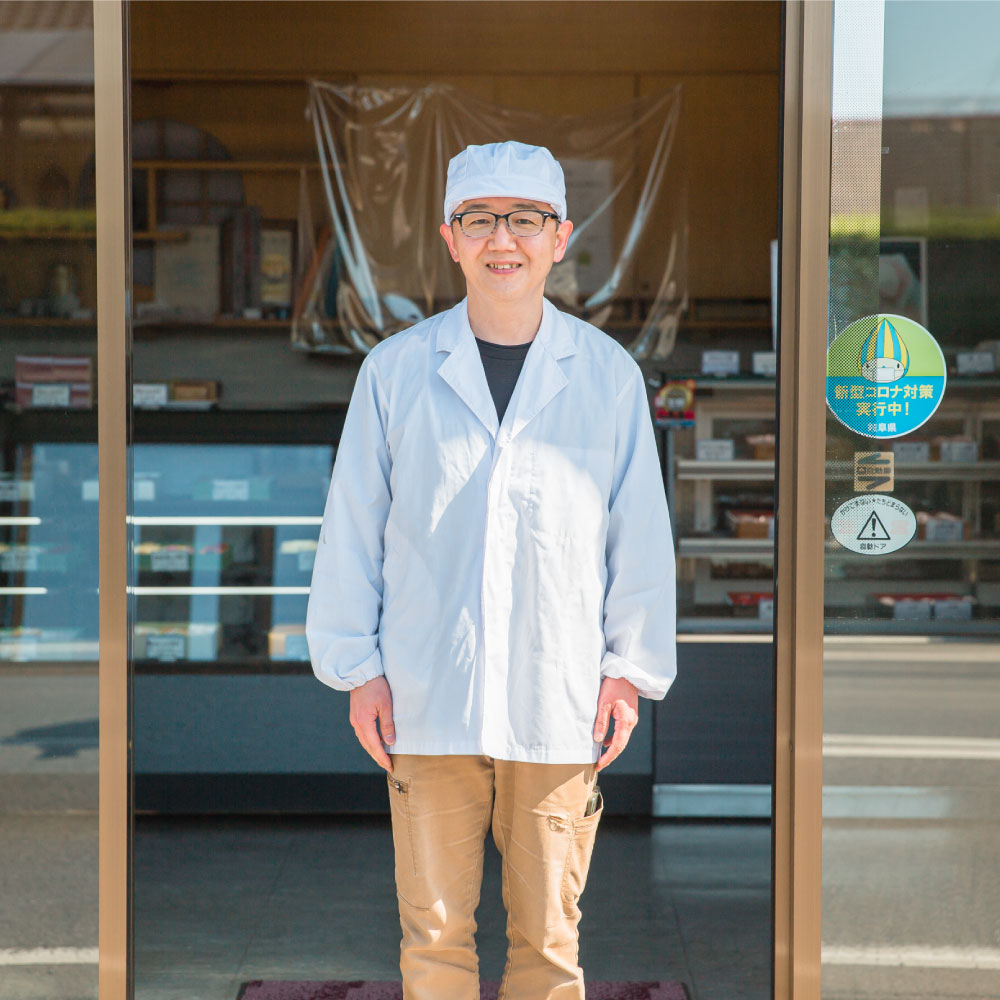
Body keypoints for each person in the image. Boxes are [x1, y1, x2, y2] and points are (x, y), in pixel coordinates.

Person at [306, 140, 676, 1000]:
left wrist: (626, 670)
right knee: (434, 937)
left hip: (560, 700)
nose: (502, 239)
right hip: (427, 697)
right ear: (450, 238)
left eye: (526, 220)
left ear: (560, 237)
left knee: (548, 942)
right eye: (479, 219)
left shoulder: (608, 376)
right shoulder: (395, 372)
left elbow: (640, 537)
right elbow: (352, 527)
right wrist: (359, 670)